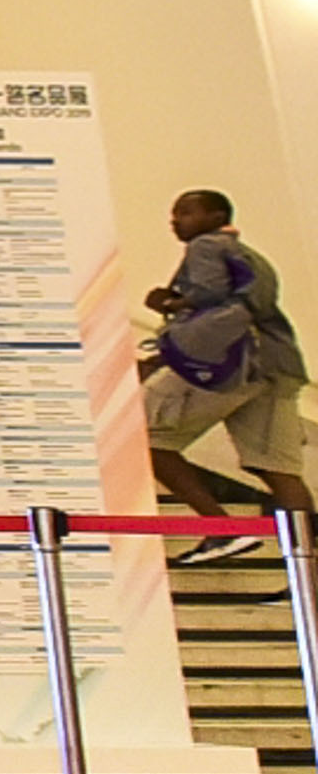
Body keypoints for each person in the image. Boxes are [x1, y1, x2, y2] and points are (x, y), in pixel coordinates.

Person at [142, 187, 309, 545]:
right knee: (278, 469)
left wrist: (168, 303)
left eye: (186, 212)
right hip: (277, 367)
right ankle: (307, 561)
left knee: (146, 438)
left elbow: (209, 295)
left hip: (230, 363)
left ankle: (222, 531)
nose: (175, 221)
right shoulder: (252, 257)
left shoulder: (205, 246)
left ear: (217, 217)